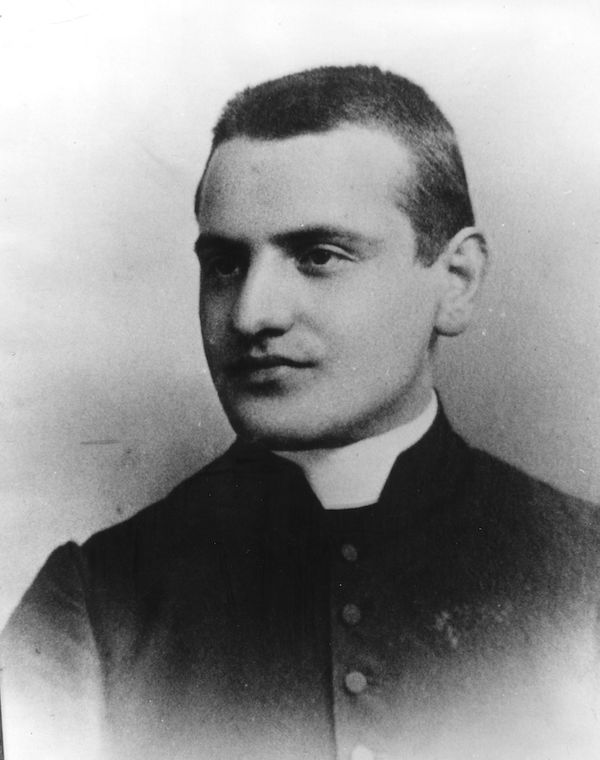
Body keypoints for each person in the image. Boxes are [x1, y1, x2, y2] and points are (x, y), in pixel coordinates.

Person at [2, 65, 600, 760]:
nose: (251, 314)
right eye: (226, 265)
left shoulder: (585, 576)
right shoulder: (91, 611)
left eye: (319, 256)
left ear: (457, 281)